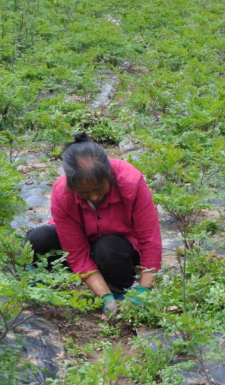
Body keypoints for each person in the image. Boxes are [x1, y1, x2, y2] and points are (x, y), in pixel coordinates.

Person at [25, 133, 162, 316]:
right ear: (72, 186)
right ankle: (38, 277)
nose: (94, 197)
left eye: (99, 189)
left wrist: (144, 291)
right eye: (84, 192)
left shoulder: (131, 182)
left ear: (109, 175)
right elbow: (75, 252)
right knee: (37, 240)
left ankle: (116, 287)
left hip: (118, 249)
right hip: (80, 242)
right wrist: (104, 296)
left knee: (109, 249)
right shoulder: (62, 193)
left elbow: (149, 240)